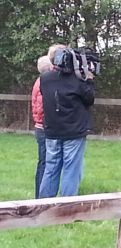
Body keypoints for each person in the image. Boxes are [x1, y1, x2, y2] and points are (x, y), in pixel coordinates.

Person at [38, 44, 95, 198]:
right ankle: (67, 208)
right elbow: (89, 99)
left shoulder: (44, 79)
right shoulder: (77, 80)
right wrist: (88, 80)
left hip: (52, 131)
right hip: (73, 132)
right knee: (71, 169)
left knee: (51, 168)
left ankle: (44, 206)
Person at [31, 55, 53, 198]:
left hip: (40, 127)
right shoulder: (44, 84)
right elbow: (42, 108)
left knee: (43, 162)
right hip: (43, 127)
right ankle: (41, 197)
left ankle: (40, 195)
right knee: (45, 163)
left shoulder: (39, 82)